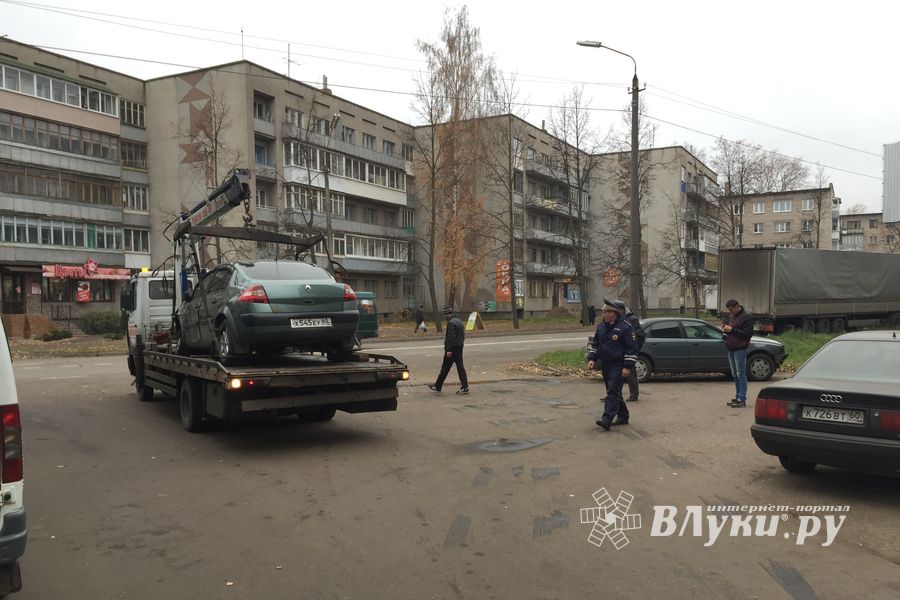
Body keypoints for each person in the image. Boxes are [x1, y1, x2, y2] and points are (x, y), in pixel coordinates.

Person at [586, 299, 638, 430]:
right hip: (606, 364)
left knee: (612, 391)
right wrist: (592, 358)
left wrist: (627, 367)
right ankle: (623, 416)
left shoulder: (625, 326)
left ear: (614, 313)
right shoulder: (601, 327)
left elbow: (631, 348)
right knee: (614, 392)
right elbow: (596, 344)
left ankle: (606, 419)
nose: (605, 315)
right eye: (603, 312)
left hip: (619, 364)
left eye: (608, 312)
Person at [428, 306, 469, 394]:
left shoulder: (451, 323)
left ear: (448, 314)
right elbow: (462, 336)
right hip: (459, 347)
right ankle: (465, 386)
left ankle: (437, 386)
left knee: (445, 368)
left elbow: (450, 338)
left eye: (445, 314)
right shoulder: (459, 321)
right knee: (460, 367)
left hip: (452, 349)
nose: (444, 316)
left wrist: (448, 350)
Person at [723, 298, 754, 408]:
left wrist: (731, 330)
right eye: (729, 310)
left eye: (732, 309)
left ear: (737, 306)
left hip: (740, 348)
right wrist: (725, 329)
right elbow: (729, 326)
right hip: (731, 347)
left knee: (741, 374)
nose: (730, 312)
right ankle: (737, 396)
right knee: (734, 374)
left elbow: (748, 334)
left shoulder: (746, 317)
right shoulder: (732, 316)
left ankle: (742, 398)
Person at [623, 305, 645, 402]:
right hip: (621, 351)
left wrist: (635, 348)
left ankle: (634, 394)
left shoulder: (631, 319)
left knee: (631, 373)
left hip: (629, 351)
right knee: (615, 376)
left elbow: (640, 335)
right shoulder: (620, 319)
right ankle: (612, 394)